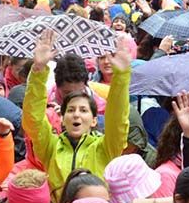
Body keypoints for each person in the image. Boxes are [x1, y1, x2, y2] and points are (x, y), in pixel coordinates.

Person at [25, 30, 131, 190]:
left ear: (94, 119)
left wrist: (121, 76)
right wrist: (38, 70)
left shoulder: (105, 148)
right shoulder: (50, 147)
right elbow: (33, 121)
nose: (76, 114)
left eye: (83, 110)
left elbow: (117, 120)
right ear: (62, 117)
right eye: (71, 110)